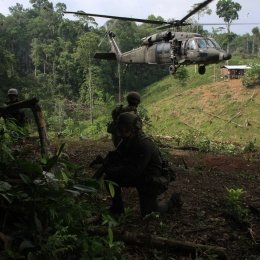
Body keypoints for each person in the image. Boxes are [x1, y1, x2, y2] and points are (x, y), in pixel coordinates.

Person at [101, 112, 181, 217]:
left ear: (134, 129)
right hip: (140, 176)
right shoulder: (127, 140)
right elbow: (118, 156)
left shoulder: (144, 144)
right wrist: (105, 162)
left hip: (150, 179)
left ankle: (173, 202)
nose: (121, 132)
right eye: (120, 129)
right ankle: (117, 209)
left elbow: (134, 171)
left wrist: (112, 169)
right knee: (110, 178)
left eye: (125, 129)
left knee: (150, 214)